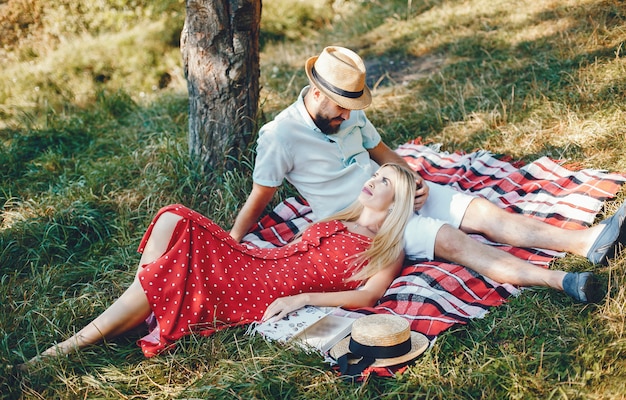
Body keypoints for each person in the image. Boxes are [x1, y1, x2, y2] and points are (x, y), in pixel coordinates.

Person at [229, 45, 626, 304]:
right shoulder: (280, 136)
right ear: (317, 94)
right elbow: (258, 199)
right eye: (341, 109)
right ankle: (562, 281)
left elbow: (383, 154)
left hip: (396, 190)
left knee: (485, 213)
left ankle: (586, 241)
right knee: (453, 241)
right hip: (367, 224)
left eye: (351, 107)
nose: (348, 116)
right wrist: (232, 245)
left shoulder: (349, 111)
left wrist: (413, 179)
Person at [25, 163, 417, 362]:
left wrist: (302, 299)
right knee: (172, 217)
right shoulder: (338, 218)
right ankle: (143, 308)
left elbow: (368, 296)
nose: (373, 179)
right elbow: (292, 253)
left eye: (385, 182)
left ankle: (69, 347)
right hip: (258, 261)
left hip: (267, 288)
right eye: (377, 173)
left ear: (397, 202)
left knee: (177, 221)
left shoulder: (387, 248)